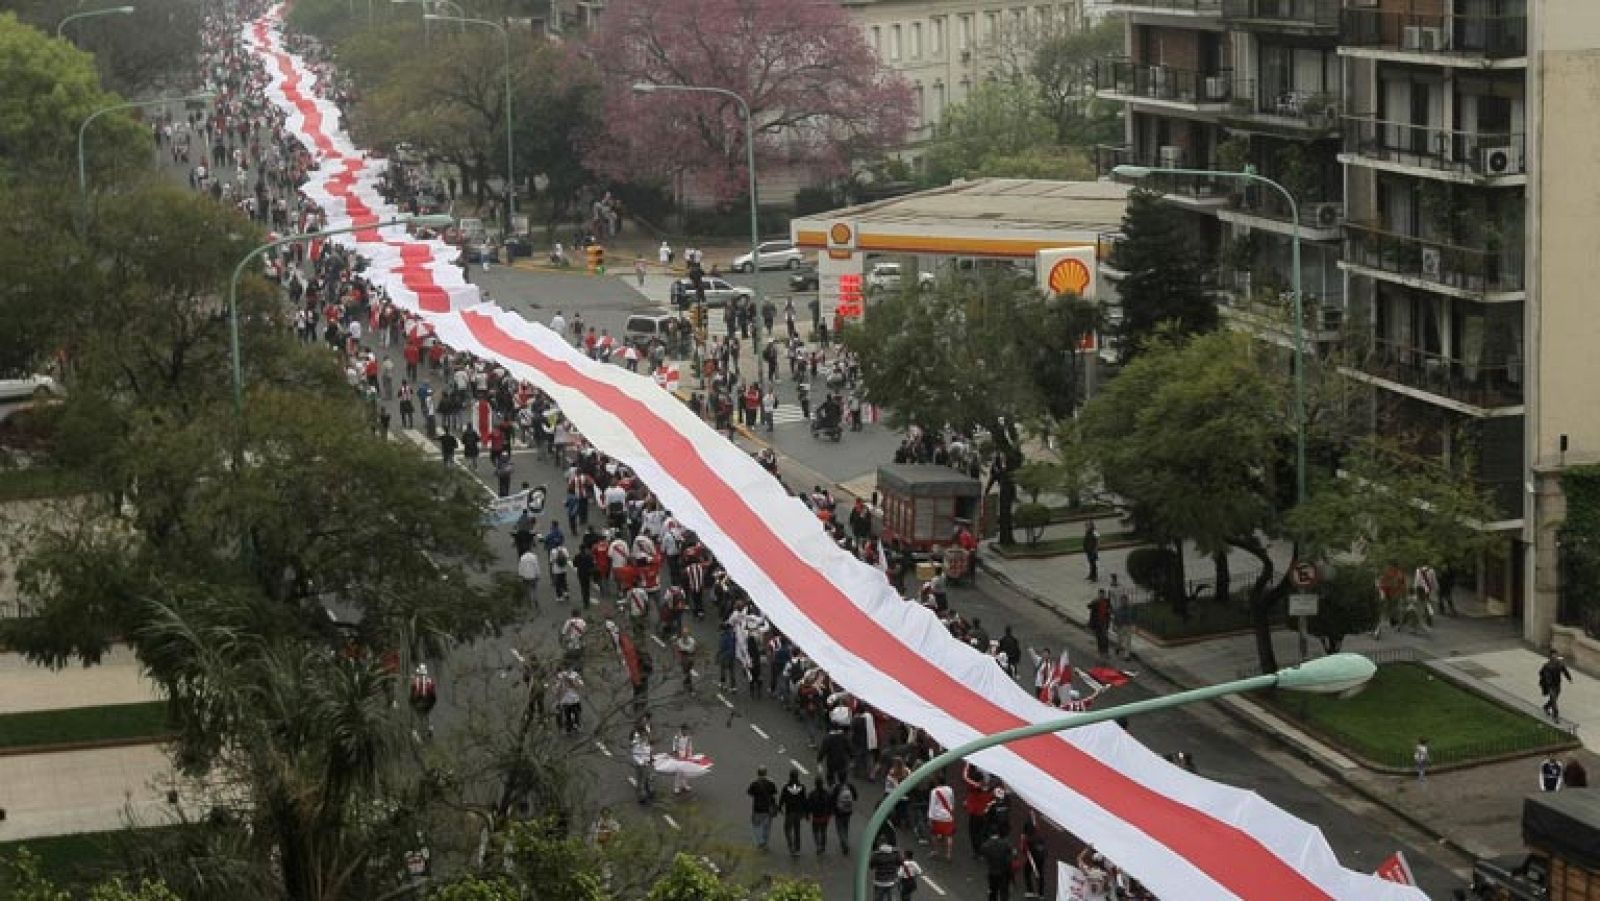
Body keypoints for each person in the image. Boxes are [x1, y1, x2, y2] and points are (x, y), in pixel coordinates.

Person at [747, 766, 778, 850]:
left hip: (757, 808)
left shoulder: (754, 783)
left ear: (758, 773)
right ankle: (765, 843)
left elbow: (750, 793)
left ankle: (760, 842)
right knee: (767, 827)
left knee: (756, 825)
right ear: (766, 773)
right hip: (767, 809)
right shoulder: (771, 782)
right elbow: (774, 793)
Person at [779, 768, 809, 856]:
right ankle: (797, 848)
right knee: (797, 829)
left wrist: (780, 807)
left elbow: (782, 798)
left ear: (790, 776)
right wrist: (806, 812)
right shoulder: (802, 787)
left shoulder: (786, 787)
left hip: (789, 811)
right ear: (797, 776)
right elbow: (804, 800)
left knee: (787, 829)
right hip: (798, 811)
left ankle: (791, 846)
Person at [927, 772, 956, 861]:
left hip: (937, 817)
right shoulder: (950, 789)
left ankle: (936, 851)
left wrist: (930, 818)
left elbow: (932, 805)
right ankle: (948, 854)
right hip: (948, 816)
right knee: (949, 835)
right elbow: (952, 801)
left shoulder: (934, 791)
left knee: (934, 834)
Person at [981, 829, 1016, 901]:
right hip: (1003, 871)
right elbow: (1013, 852)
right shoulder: (1005, 843)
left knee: (993, 891)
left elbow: (983, 853)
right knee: (1004, 891)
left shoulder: (986, 845)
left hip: (992, 872)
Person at [1540, 652, 1573, 721]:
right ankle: (1555, 715)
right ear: (1550, 658)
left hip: (1557, 684)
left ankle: (1546, 707)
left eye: (1555, 656)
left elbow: (1565, 671)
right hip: (1550, 685)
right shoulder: (1547, 666)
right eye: (1553, 656)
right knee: (1553, 699)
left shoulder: (1560, 664)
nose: (1554, 658)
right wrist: (1545, 680)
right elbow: (1541, 673)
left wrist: (1569, 678)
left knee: (1554, 698)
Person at [630, 716, 655, 804]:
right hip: (640, 764)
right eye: (644, 735)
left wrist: (650, 757)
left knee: (647, 777)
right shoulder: (636, 742)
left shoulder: (645, 740)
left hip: (646, 762)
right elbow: (635, 754)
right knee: (640, 780)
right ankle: (640, 796)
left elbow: (648, 748)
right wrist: (641, 762)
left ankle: (648, 790)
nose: (645, 736)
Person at [807, 776, 834, 855]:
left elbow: (809, 805)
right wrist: (830, 814)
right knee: (823, 831)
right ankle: (823, 846)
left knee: (815, 832)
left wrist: (807, 814)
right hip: (824, 816)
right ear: (822, 784)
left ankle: (818, 846)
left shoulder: (812, 794)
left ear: (815, 784)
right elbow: (830, 805)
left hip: (816, 816)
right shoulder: (827, 794)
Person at [833, 779, 858, 855]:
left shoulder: (837, 787)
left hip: (839, 812)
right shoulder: (850, 786)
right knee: (846, 827)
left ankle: (845, 843)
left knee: (840, 829)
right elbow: (856, 797)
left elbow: (833, 798)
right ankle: (845, 842)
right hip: (848, 811)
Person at [670, 723, 695, 795]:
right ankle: (676, 787)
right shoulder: (677, 737)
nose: (686, 731)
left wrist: (690, 755)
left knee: (685, 771)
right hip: (679, 755)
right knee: (679, 772)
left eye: (687, 730)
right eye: (684, 730)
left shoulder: (688, 737)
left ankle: (684, 784)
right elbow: (674, 746)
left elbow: (689, 746)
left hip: (686, 755)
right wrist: (676, 754)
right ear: (681, 730)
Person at [517, 547, 542, 612]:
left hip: (525, 576)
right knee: (534, 588)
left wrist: (520, 575)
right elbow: (536, 566)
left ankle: (529, 602)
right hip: (533, 575)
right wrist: (538, 574)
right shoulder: (534, 557)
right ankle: (535, 599)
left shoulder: (522, 557)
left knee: (527, 589)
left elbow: (520, 567)